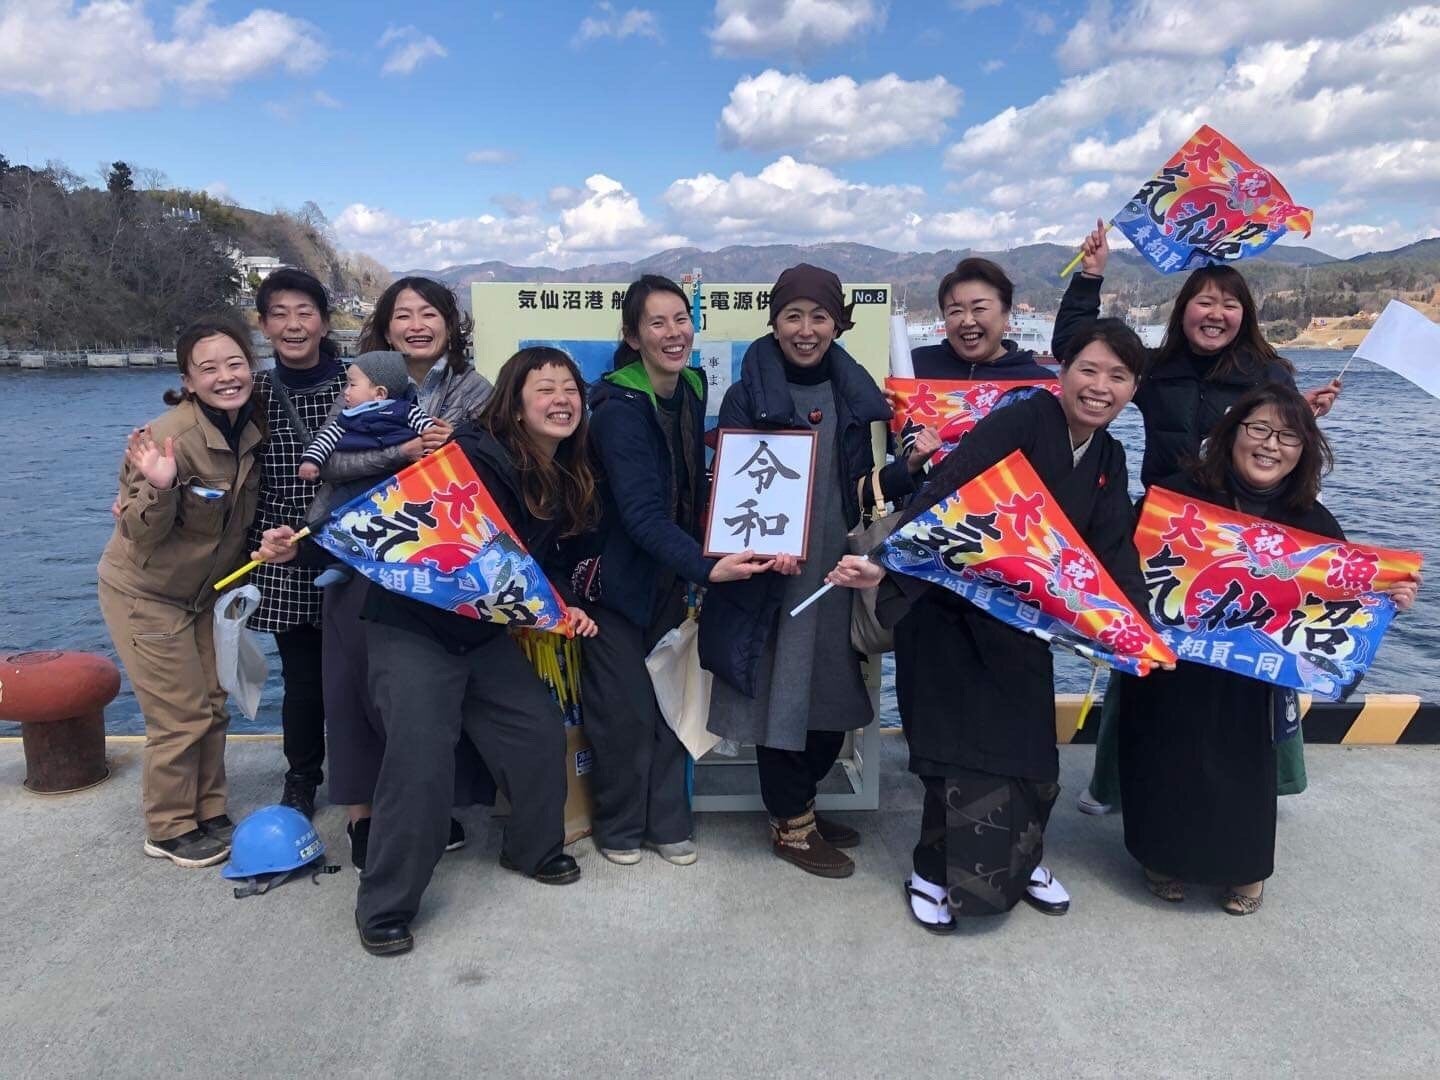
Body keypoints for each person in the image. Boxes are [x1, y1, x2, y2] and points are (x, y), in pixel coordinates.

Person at [257, 347, 598, 956]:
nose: (560, 399)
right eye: (544, 388)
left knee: (537, 731)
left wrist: (565, 604)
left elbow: (536, 563)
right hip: (411, 627)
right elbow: (384, 517)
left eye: (569, 388)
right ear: (515, 404)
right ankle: (384, 906)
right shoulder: (473, 455)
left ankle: (532, 850)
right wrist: (300, 549)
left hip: (482, 631)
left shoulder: (565, 474)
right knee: (419, 764)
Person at [826, 318, 1156, 931]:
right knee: (958, 756)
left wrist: (1137, 627)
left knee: (1031, 753)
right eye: (1088, 369)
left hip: (1019, 621)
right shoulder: (1022, 421)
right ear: (1061, 371)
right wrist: (885, 562)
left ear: (1134, 388)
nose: (1099, 386)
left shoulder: (1108, 456)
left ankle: (1024, 861)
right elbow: (945, 492)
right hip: (947, 609)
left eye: (1118, 376)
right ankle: (930, 872)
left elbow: (1112, 546)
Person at [1054, 221, 1342, 815]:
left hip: (1244, 534)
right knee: (1142, 649)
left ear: (1245, 315)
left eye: (1229, 304)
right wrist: (1090, 277)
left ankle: (1267, 779)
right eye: (1204, 301)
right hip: (1167, 531)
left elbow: (1280, 443)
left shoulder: (1270, 373)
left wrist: (1302, 415)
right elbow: (1076, 349)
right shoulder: (1156, 367)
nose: (1216, 313)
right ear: (1183, 310)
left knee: (1252, 662)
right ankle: (1112, 782)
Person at [1113, 383, 1420, 915]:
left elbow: (1346, 591)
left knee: (1243, 768)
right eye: (1259, 429)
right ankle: (1160, 856)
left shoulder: (1312, 520)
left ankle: (1245, 868)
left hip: (1251, 675)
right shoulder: (1179, 495)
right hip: (1172, 663)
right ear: (1232, 433)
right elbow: (1127, 556)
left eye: (1288, 436)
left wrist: (1390, 596)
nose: (1270, 444)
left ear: (1304, 450)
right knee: (1161, 754)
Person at [702, 263, 929, 879]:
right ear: (774, 322)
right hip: (772, 577)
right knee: (780, 703)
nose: (805, 329)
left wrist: (909, 469)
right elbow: (736, 487)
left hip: (837, 571)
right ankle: (791, 825)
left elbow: (860, 488)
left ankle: (799, 804)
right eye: (792, 316)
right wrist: (757, 549)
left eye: (819, 316)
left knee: (830, 704)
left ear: (839, 323)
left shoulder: (853, 395)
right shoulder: (746, 394)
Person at [582, 275, 779, 867]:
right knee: (625, 713)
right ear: (632, 336)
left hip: (672, 578)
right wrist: (707, 566)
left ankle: (668, 823)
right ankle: (619, 828)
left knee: (674, 702)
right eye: (657, 323)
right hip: (615, 584)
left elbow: (692, 487)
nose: (673, 333)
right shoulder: (617, 410)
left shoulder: (691, 386)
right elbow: (641, 515)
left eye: (680, 319)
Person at [314, 277, 492, 868]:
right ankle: (363, 815)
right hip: (359, 551)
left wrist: (457, 444)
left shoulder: (474, 389)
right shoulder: (359, 378)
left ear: (450, 322)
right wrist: (399, 454)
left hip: (433, 559)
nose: (417, 325)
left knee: (428, 691)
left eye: (429, 313)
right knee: (353, 685)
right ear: (386, 327)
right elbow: (328, 461)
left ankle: (430, 804)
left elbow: (494, 464)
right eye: (403, 315)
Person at [97, 315, 265, 867]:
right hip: (145, 593)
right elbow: (137, 532)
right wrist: (162, 486)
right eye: (208, 368)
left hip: (204, 594)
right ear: (188, 381)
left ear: (252, 367)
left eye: (235, 363)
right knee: (180, 714)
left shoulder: (252, 426)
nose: (226, 376)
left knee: (213, 705)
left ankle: (209, 810)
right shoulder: (165, 438)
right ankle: (169, 827)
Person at [248, 268, 348, 819]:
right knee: (303, 680)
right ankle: (302, 778)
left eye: (305, 312)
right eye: (279, 314)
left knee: (362, 676)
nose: (293, 324)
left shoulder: (356, 384)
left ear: (324, 323)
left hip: (352, 548)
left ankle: (367, 779)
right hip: (282, 550)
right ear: (264, 325)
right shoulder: (254, 392)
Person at [297, 351, 436, 482]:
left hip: (402, 478)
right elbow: (325, 440)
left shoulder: (405, 411)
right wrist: (311, 461)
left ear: (379, 394)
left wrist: (433, 449)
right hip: (357, 482)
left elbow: (430, 432)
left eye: (352, 385)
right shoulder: (348, 417)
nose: (345, 391)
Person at [910, 257, 1056, 380]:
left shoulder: (1038, 382)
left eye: (979, 309)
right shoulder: (915, 366)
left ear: (1006, 312)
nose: (967, 321)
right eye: (956, 311)